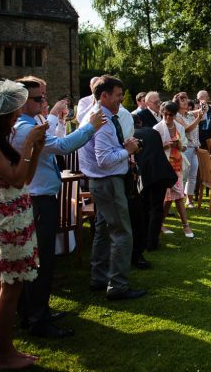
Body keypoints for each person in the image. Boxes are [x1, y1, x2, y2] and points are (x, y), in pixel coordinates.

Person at [12, 76, 105, 338]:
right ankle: (37, 319)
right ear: (22, 101)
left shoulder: (32, 123)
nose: (44, 102)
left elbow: (56, 141)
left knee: (39, 259)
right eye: (39, 98)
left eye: (44, 96)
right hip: (38, 198)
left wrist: (55, 120)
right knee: (40, 261)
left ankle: (33, 312)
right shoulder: (23, 128)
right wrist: (90, 126)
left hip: (42, 195)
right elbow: (62, 146)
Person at [0, 79, 48, 370]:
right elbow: (14, 179)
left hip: (19, 215)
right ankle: (3, 355)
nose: (18, 116)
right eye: (14, 112)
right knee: (11, 284)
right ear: (0, 115)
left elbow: (25, 177)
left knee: (15, 284)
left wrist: (37, 147)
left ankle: (9, 350)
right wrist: (28, 143)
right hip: (7, 218)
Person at [78, 75, 145, 301]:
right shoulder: (103, 122)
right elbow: (105, 159)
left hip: (99, 181)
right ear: (104, 95)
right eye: (118, 95)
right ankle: (117, 285)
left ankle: (99, 277)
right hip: (107, 181)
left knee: (104, 229)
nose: (121, 99)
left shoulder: (99, 116)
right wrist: (128, 151)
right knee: (122, 233)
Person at [132, 115, 177, 252]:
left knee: (144, 207)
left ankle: (145, 239)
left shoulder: (130, 135)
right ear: (140, 122)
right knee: (157, 208)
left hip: (145, 173)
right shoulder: (153, 132)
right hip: (161, 172)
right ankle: (152, 241)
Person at [153, 101, 193, 238]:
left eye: (171, 115)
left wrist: (181, 145)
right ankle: (185, 226)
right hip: (164, 167)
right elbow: (153, 150)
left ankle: (160, 224)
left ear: (175, 115)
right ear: (162, 113)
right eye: (166, 114)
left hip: (177, 165)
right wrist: (164, 145)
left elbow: (185, 146)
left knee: (172, 197)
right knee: (177, 197)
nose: (168, 117)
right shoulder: (157, 128)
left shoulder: (180, 128)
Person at [173, 92, 205, 208]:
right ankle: (179, 201)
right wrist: (199, 118)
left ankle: (189, 201)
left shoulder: (190, 114)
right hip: (185, 149)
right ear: (177, 103)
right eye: (182, 100)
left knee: (193, 175)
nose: (186, 101)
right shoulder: (177, 116)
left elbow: (202, 112)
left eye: (186, 99)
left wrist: (203, 105)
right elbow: (186, 129)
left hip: (195, 148)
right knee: (183, 176)